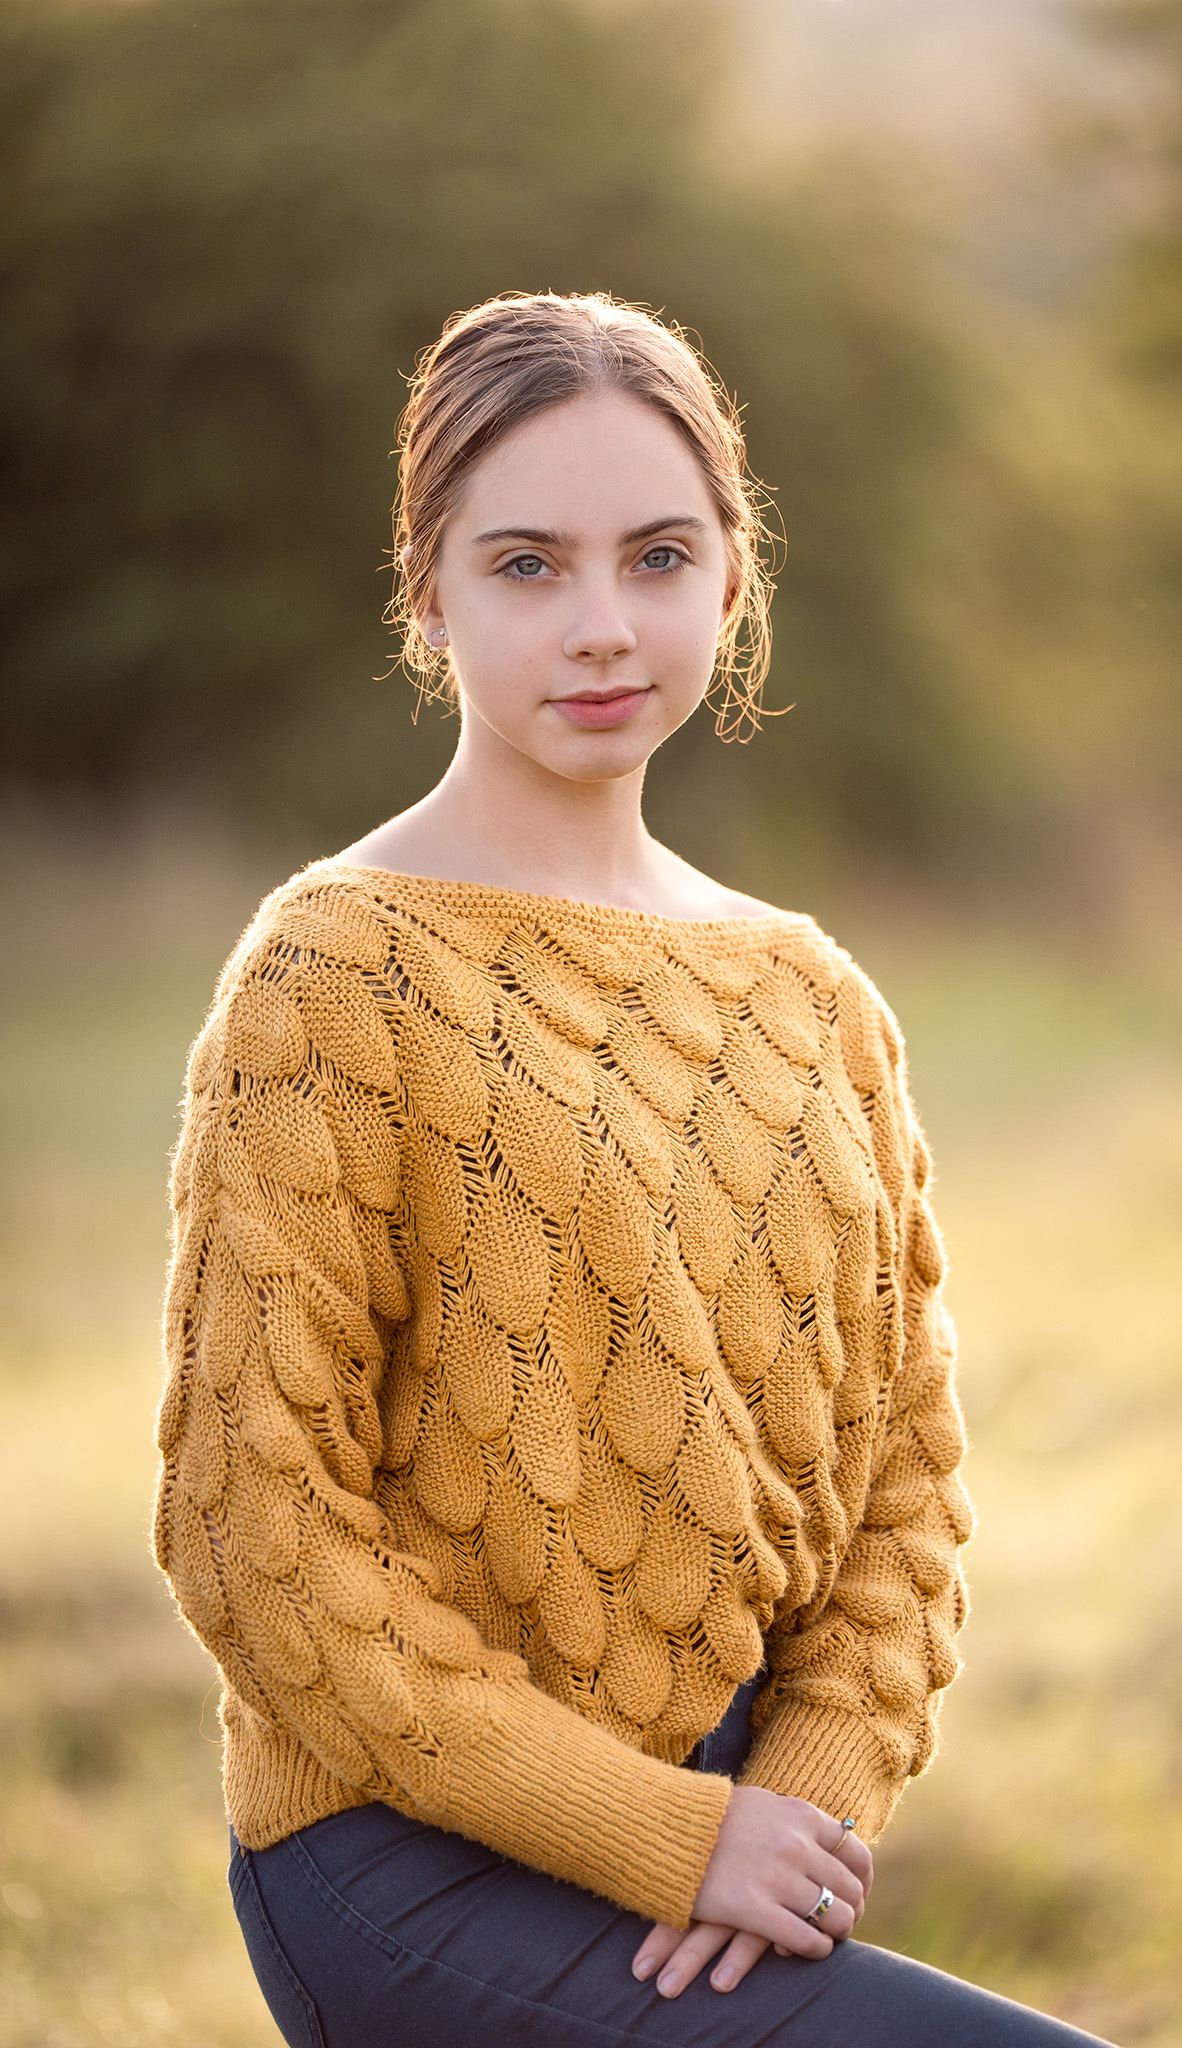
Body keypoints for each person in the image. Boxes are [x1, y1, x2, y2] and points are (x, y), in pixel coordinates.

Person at [154, 291, 1114, 2046]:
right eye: (526, 566)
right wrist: (657, 1834)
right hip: (410, 1844)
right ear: (427, 596)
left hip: (742, 1822)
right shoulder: (334, 974)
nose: (602, 627)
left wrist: (801, 1802)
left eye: (657, 557)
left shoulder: (813, 996)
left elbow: (905, 1473)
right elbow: (252, 1529)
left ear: (730, 584)